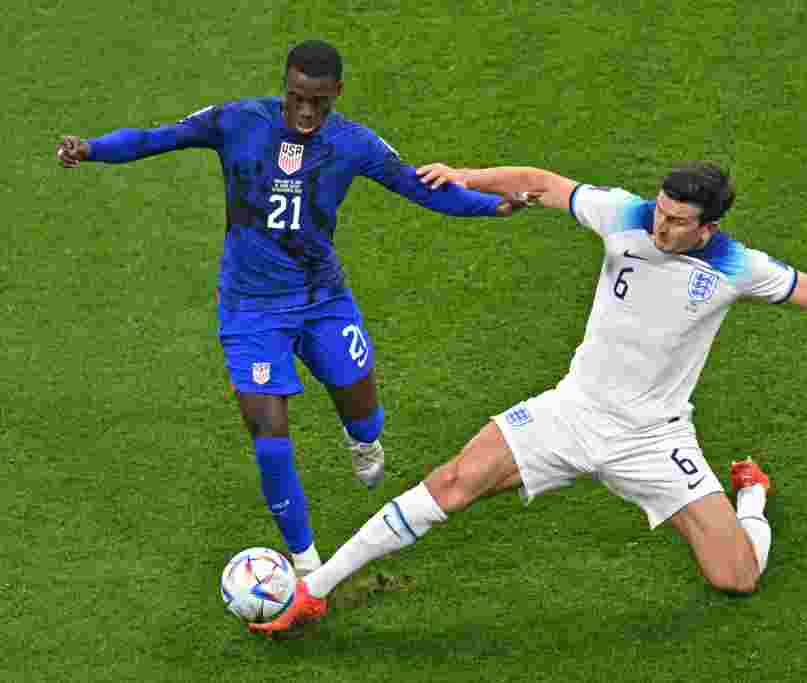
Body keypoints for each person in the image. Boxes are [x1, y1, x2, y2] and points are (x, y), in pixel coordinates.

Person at [249, 159, 807, 635]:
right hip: (572, 411)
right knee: (453, 481)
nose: (663, 224)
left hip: (654, 439)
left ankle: (754, 500)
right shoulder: (625, 214)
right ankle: (314, 589)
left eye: (680, 220)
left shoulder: (739, 267)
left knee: (736, 578)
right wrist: (466, 174)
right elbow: (542, 185)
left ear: (711, 226)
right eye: (662, 210)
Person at [55, 40, 527, 576]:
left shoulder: (354, 143)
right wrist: (91, 148)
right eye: (297, 97)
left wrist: (494, 207)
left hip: (321, 300)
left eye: (319, 102)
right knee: (270, 439)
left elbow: (419, 187)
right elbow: (155, 139)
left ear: (337, 94)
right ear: (285, 86)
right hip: (250, 311)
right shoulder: (236, 121)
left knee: (364, 414)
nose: (306, 111)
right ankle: (306, 567)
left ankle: (362, 440)